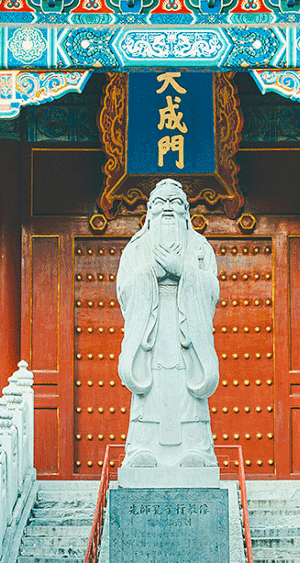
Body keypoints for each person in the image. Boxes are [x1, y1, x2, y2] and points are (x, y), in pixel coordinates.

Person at [117, 178, 220, 468]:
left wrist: (182, 271)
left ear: (187, 211)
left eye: (175, 203)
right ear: (149, 210)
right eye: (160, 203)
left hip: (187, 329)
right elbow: (124, 291)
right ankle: (141, 448)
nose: (167, 210)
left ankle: (197, 450)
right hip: (151, 328)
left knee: (189, 386)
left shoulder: (200, 247)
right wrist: (151, 273)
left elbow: (212, 290)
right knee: (150, 387)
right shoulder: (136, 248)